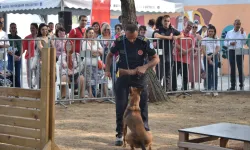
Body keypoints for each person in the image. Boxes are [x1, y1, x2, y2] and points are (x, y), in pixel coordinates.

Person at [105, 23, 160, 146]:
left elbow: (156, 58)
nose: (132, 39)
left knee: (143, 104)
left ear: (138, 33)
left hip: (139, 75)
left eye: (134, 37)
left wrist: (145, 67)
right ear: (125, 33)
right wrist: (107, 70)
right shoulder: (119, 41)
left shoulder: (144, 41)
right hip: (123, 74)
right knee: (121, 105)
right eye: (129, 37)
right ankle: (119, 134)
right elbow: (109, 56)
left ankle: (145, 130)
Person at [153, 15, 183, 91]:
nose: (166, 22)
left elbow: (181, 34)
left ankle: (167, 90)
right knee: (160, 73)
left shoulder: (172, 29)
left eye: (168, 21)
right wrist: (168, 38)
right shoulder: (159, 29)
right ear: (162, 21)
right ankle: (158, 90)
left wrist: (177, 37)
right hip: (160, 55)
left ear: (170, 22)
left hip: (169, 54)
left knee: (168, 73)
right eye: (165, 21)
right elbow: (156, 35)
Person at [172, 21, 194, 92]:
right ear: (185, 24)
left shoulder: (191, 36)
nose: (189, 27)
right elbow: (175, 43)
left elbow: (192, 47)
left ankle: (185, 89)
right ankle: (174, 89)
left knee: (185, 75)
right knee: (175, 74)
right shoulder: (179, 33)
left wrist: (185, 52)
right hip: (177, 58)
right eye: (188, 25)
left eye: (191, 26)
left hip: (186, 59)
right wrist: (182, 50)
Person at [224, 19, 246, 90]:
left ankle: (241, 85)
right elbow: (224, 42)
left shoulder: (242, 32)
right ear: (234, 24)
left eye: (239, 24)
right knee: (232, 68)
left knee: (240, 68)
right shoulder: (229, 33)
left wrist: (242, 34)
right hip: (231, 51)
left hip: (239, 51)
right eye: (237, 24)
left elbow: (245, 42)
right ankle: (233, 85)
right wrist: (230, 43)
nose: (238, 25)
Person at [82, 27, 104, 98]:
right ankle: (91, 95)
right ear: (87, 34)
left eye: (92, 33)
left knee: (99, 79)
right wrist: (97, 52)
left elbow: (102, 51)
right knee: (89, 80)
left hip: (97, 64)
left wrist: (94, 52)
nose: (91, 34)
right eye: (89, 33)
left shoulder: (97, 41)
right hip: (88, 64)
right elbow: (87, 52)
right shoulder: (84, 42)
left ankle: (101, 95)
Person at [201, 25, 220, 96]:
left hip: (214, 56)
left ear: (214, 32)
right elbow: (203, 49)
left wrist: (212, 56)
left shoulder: (217, 39)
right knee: (208, 73)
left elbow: (218, 48)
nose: (211, 32)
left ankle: (215, 89)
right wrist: (207, 57)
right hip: (206, 56)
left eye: (212, 31)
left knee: (214, 73)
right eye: (209, 31)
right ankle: (208, 89)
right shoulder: (204, 39)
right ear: (207, 32)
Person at [22, 23, 38, 88]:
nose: (32, 29)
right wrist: (19, 56)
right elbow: (23, 48)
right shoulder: (27, 37)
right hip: (29, 57)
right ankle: (30, 88)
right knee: (29, 74)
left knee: (38, 73)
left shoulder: (39, 37)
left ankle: (37, 86)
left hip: (37, 58)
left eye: (33, 28)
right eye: (31, 28)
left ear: (37, 29)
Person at [7, 23, 22, 87]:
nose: (13, 29)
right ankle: (10, 88)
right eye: (12, 27)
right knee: (10, 73)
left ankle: (18, 89)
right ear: (10, 29)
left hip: (18, 56)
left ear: (16, 29)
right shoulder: (7, 36)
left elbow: (21, 48)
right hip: (10, 56)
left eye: (14, 27)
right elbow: (7, 47)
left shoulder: (19, 38)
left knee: (18, 74)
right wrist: (13, 55)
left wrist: (20, 56)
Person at [189, 23, 202, 89]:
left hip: (197, 55)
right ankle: (190, 84)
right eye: (193, 27)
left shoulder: (199, 36)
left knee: (196, 70)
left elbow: (201, 46)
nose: (194, 28)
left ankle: (194, 85)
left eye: (195, 27)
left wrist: (197, 50)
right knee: (190, 69)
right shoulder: (189, 35)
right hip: (189, 54)